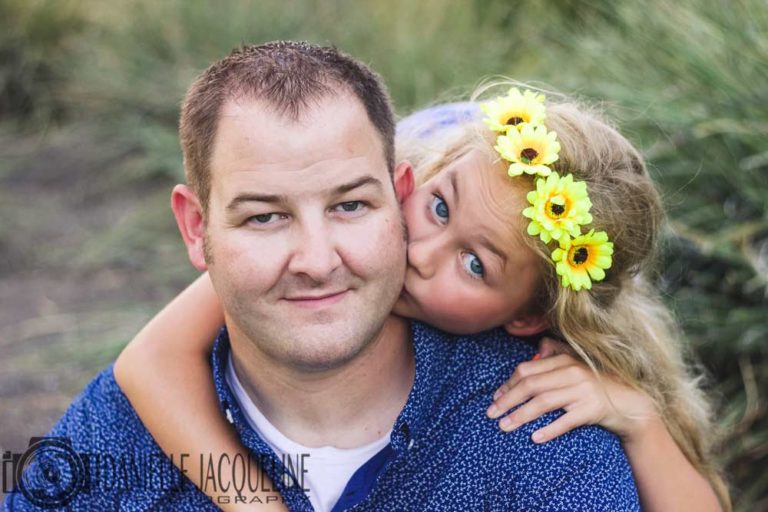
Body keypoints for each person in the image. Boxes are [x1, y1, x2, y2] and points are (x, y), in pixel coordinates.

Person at [0, 41, 629, 511]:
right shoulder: (117, 434)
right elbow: (147, 362)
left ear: (393, 193)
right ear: (198, 230)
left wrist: (641, 416)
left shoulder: (542, 437)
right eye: (265, 216)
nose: (317, 259)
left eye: (350, 205)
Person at [114, 83, 730, 511]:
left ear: (525, 316)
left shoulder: (558, 316)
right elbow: (149, 360)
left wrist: (640, 420)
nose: (421, 252)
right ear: (427, 176)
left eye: (473, 264)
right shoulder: (363, 205)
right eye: (437, 207)